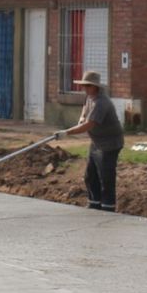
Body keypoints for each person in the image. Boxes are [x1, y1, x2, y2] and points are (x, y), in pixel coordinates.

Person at [57, 70, 124, 211]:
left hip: (109, 144)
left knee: (105, 176)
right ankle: (94, 203)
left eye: (88, 86)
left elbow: (90, 124)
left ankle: (108, 207)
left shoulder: (102, 103)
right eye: (84, 86)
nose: (85, 89)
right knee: (90, 175)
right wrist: (82, 117)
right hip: (96, 142)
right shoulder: (90, 97)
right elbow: (85, 111)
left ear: (96, 87)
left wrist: (67, 132)